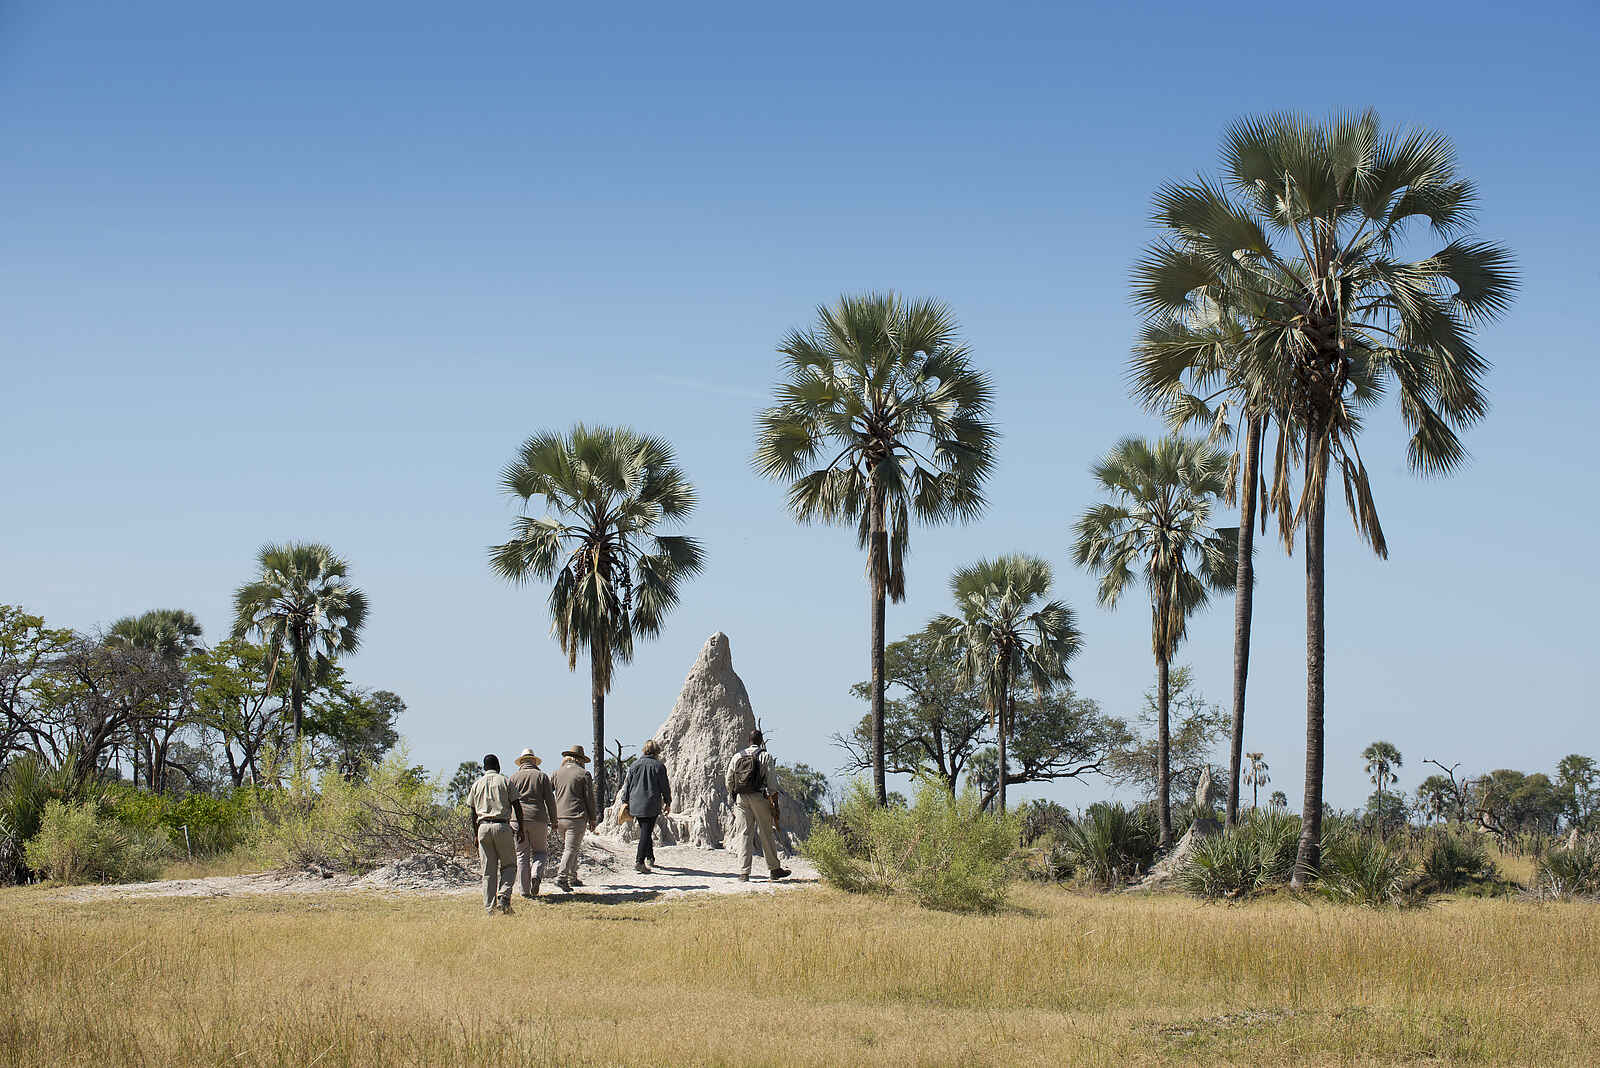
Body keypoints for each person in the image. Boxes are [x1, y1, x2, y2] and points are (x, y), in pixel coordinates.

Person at [724, 729, 790, 882]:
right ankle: (774, 869)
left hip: (741, 798)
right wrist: (775, 803)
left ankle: (743, 873)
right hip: (759, 797)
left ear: (749, 741)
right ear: (761, 742)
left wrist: (735, 795)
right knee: (765, 832)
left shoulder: (737, 756)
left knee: (744, 834)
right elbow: (772, 784)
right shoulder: (765, 756)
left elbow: (729, 780)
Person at [465, 753, 524, 915]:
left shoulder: (477, 784)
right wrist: (521, 828)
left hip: (483, 827)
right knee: (509, 865)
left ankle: (490, 908)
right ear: (498, 766)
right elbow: (517, 806)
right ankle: (504, 896)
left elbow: (473, 812)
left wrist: (476, 834)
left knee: (488, 871)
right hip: (502, 826)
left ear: (484, 768)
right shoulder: (505, 781)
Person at [508, 747, 558, 898]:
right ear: (534, 761)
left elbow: (508, 802)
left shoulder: (513, 778)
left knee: (521, 854)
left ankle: (524, 891)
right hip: (539, 818)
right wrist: (554, 821)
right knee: (540, 852)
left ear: (521, 762)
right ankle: (536, 875)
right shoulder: (542, 777)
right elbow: (550, 801)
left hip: (517, 820)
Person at [620, 738, 672, 873]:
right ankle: (639, 861)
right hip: (651, 803)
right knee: (646, 831)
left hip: (635, 803)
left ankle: (650, 857)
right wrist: (668, 802)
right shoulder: (659, 766)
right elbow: (664, 787)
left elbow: (627, 785)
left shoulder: (634, 765)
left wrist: (625, 801)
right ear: (656, 752)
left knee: (646, 829)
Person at [551, 744, 597, 892]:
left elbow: (549, 792)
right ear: (580, 760)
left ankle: (573, 876)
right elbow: (589, 798)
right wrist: (592, 818)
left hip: (559, 817)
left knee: (571, 848)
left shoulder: (556, 773)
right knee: (571, 849)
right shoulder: (583, 774)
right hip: (576, 817)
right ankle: (562, 877)